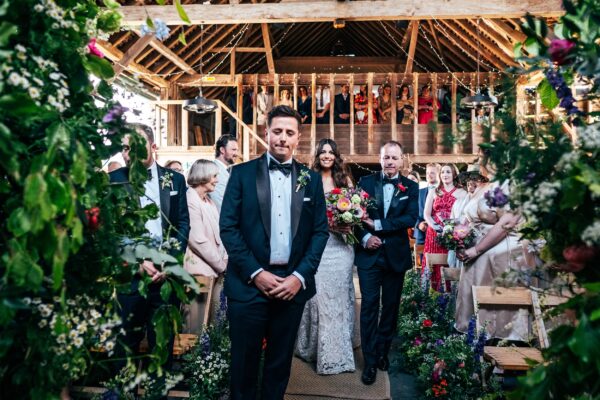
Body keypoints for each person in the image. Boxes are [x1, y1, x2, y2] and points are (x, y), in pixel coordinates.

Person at [219, 105, 329, 400]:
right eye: (277, 131)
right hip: (248, 284)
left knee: (279, 366)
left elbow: (320, 232)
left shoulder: (311, 179)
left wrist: (299, 276)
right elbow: (228, 227)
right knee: (243, 366)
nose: (282, 137)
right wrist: (256, 273)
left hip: (291, 287)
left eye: (289, 132)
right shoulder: (241, 174)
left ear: (298, 138)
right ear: (266, 133)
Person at [109, 124, 190, 395]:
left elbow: (182, 226)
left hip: (165, 279)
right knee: (125, 347)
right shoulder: (115, 179)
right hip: (131, 279)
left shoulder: (174, 180)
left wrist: (169, 261)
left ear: (153, 146)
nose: (130, 152)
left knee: (161, 349)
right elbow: (112, 231)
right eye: (125, 147)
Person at [355, 141, 419, 385]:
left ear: (401, 160)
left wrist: (378, 226)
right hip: (369, 258)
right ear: (379, 159)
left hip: (395, 256)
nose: (390, 162)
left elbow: (410, 217)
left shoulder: (411, 187)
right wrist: (365, 236)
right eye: (386, 158)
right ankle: (370, 361)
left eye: (394, 157)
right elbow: (355, 217)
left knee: (390, 308)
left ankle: (383, 351)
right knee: (369, 306)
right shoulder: (365, 183)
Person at [295, 138, 356, 375]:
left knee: (339, 297)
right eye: (323, 152)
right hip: (317, 246)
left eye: (331, 152)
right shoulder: (308, 178)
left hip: (341, 248)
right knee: (317, 297)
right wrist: (329, 225)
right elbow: (302, 214)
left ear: (336, 155)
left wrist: (349, 222)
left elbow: (354, 211)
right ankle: (314, 347)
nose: (327, 155)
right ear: (318, 155)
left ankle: (338, 350)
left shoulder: (345, 180)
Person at [455, 158, 530, 340]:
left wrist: (477, 249)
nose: (480, 163)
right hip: (481, 255)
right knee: (476, 308)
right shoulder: (490, 185)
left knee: (498, 310)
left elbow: (507, 222)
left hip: (502, 254)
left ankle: (500, 342)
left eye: (483, 158)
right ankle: (474, 344)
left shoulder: (513, 184)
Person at [183, 159, 228, 333]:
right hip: (199, 271)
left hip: (215, 269)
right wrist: (221, 264)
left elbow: (220, 234)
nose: (217, 180)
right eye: (214, 176)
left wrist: (225, 257)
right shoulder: (190, 200)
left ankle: (210, 358)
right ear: (203, 176)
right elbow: (197, 240)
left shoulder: (209, 201)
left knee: (213, 323)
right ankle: (192, 359)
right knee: (195, 323)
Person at [423, 164, 466, 291]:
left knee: (450, 264)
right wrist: (436, 227)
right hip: (434, 234)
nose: (445, 175)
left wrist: (452, 230)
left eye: (448, 172)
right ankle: (433, 296)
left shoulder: (462, 192)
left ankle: (451, 295)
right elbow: (426, 214)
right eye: (442, 172)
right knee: (433, 265)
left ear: (454, 174)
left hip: (452, 235)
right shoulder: (434, 191)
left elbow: (464, 216)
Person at [210, 134, 239, 213]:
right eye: (233, 150)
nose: (236, 153)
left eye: (237, 150)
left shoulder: (229, 170)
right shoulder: (214, 171)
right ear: (222, 150)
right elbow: (220, 204)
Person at [414, 163, 440, 245]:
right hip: (422, 236)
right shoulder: (419, 192)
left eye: (432, 173)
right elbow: (413, 213)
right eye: (427, 173)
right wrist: (419, 224)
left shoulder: (444, 192)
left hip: (439, 235)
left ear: (439, 174)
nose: (429, 175)